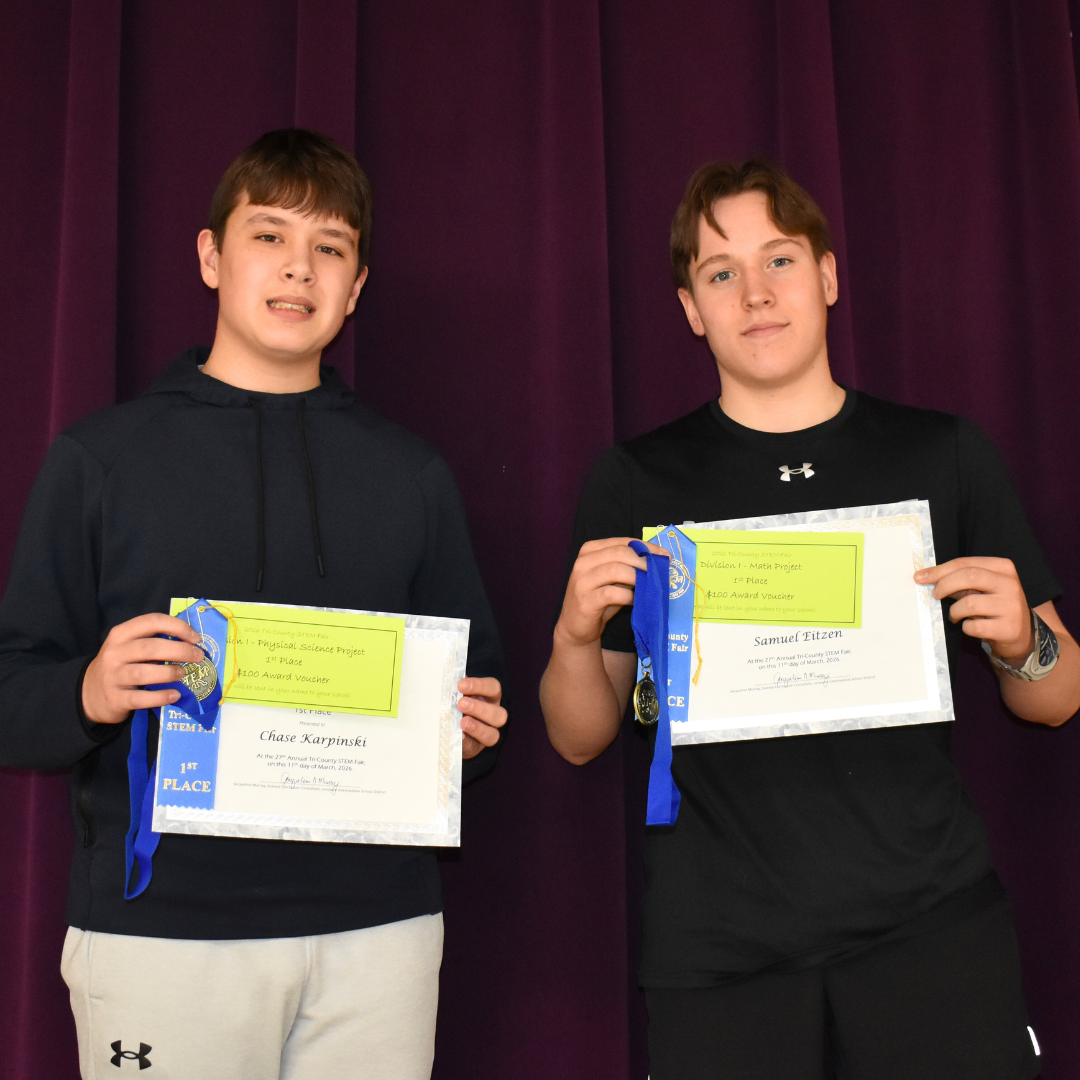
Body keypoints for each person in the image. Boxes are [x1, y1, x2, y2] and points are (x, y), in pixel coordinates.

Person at [540, 159, 1080, 1080]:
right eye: (721, 273)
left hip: (932, 927)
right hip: (719, 952)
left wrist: (1023, 646)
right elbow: (584, 739)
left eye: (780, 260)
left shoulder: (943, 454)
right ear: (689, 308)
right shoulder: (637, 482)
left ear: (828, 277)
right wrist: (574, 638)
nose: (755, 293)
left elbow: (1057, 701)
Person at [0, 129, 507, 1080]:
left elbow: (476, 700)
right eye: (269, 235)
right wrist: (93, 690)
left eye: (330, 246)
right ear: (210, 256)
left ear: (357, 287)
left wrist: (470, 734)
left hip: (380, 938)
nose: (298, 269)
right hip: (162, 938)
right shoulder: (100, 461)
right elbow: (12, 693)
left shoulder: (413, 475)